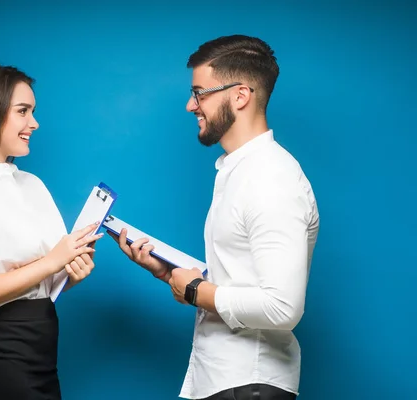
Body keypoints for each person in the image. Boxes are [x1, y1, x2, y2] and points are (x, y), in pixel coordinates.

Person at [109, 35, 320, 400]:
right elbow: (243, 279)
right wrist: (171, 273)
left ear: (240, 96)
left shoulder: (270, 179)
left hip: (249, 384)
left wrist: (194, 290)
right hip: (226, 380)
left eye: (200, 93)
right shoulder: (239, 172)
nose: (191, 105)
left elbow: (282, 308)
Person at [0, 61, 103, 400]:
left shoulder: (31, 184)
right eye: (23, 111)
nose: (34, 123)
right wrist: (52, 262)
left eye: (33, 111)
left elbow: (39, 283)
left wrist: (69, 272)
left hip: (41, 358)